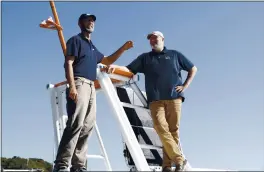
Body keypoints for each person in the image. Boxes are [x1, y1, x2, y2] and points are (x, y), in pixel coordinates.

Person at [52, 13, 133, 172]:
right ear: (80, 23)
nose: (91, 23)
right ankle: (61, 165)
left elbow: (108, 60)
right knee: (75, 123)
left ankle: (79, 166)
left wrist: (123, 48)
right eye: (88, 20)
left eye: (92, 21)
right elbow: (68, 63)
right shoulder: (75, 40)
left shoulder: (92, 46)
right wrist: (72, 86)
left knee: (87, 126)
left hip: (90, 86)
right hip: (79, 82)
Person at [108, 31, 197, 172]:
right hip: (155, 100)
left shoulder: (174, 55)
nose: (153, 40)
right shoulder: (145, 58)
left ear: (162, 39)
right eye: (150, 39)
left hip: (174, 98)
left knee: (173, 132)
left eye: (155, 37)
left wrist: (185, 85)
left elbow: (193, 68)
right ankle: (179, 159)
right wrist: (115, 68)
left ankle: (167, 166)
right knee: (160, 128)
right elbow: (129, 69)